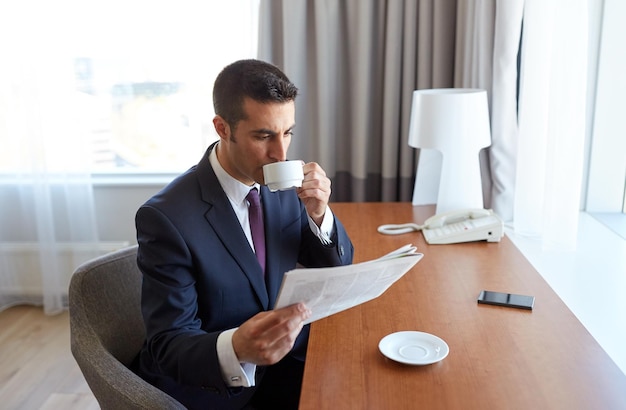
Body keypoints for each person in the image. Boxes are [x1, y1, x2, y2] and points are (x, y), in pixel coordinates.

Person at [134, 59, 354, 410]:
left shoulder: (281, 183)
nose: (280, 153)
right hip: (215, 390)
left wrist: (319, 214)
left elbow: (329, 263)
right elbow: (168, 345)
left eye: (287, 132)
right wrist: (236, 347)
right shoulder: (167, 218)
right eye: (263, 135)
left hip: (286, 366)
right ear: (223, 128)